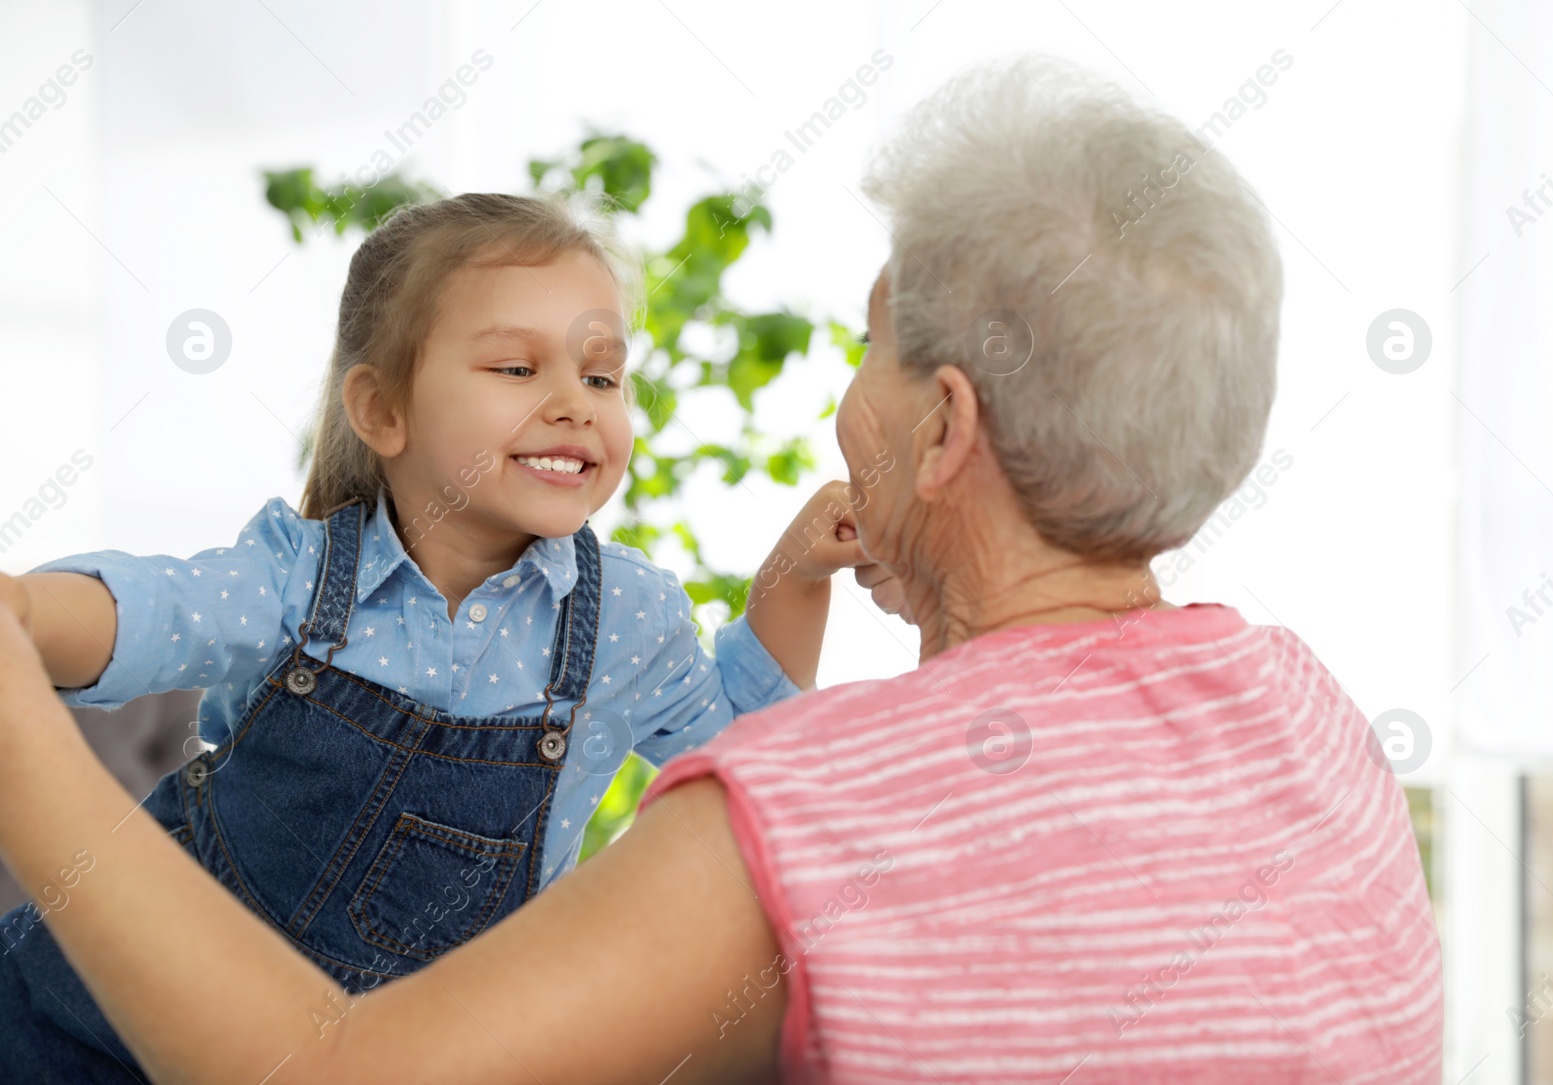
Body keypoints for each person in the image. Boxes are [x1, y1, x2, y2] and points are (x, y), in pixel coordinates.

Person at [0, 54, 1442, 1084]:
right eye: (512, 365)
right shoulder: (1306, 717)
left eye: (871, 351)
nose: (843, 403)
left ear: (945, 427)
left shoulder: (784, 822)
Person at [0, 191, 865, 1081]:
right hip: (86, 1025)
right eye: (518, 370)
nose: (575, 403)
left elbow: (754, 750)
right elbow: (152, 611)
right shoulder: (298, 575)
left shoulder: (624, 620)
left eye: (601, 376)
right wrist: (21, 612)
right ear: (382, 411)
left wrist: (796, 578)